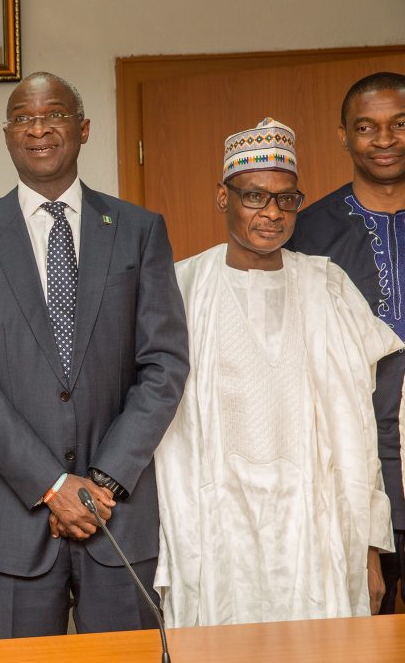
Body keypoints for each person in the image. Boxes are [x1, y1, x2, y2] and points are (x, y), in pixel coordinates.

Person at [0, 72, 189, 638]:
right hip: (12, 516)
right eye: (24, 117)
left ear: (83, 128)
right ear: (7, 135)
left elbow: (164, 364)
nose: (40, 128)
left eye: (55, 114)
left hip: (118, 511)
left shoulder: (139, 230)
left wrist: (102, 481)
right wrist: (52, 485)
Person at [155, 118, 399, 626]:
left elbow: (357, 426)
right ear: (223, 197)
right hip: (215, 529)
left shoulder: (325, 285)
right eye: (254, 196)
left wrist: (370, 548)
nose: (272, 213)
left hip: (316, 529)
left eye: (287, 199)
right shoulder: (181, 287)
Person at [287, 72, 405, 615]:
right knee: (364, 631)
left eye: (399, 124)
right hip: (356, 464)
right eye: (367, 127)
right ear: (343, 136)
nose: (385, 139)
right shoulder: (307, 234)